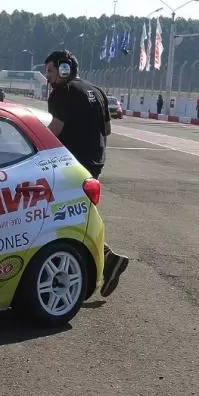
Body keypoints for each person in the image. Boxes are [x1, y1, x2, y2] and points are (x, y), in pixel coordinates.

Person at [44, 50, 128, 298]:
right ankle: (109, 260)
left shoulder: (63, 91)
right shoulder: (97, 90)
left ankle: (105, 260)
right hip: (95, 162)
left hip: (71, 164)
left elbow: (55, 129)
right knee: (75, 214)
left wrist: (34, 146)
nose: (47, 76)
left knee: (61, 216)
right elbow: (108, 130)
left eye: (50, 70)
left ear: (63, 69)